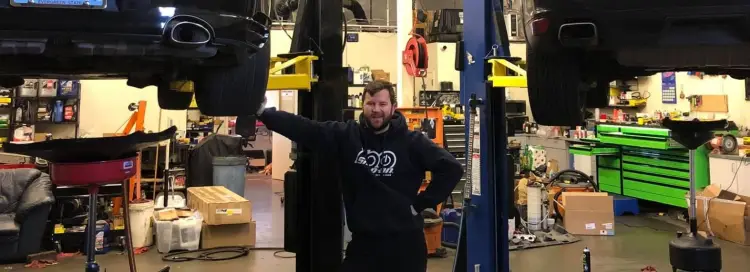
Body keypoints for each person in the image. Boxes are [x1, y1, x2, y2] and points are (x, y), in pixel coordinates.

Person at [255, 80, 464, 272]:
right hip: (364, 244)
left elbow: (452, 168)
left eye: (382, 104)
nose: (376, 110)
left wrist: (421, 203)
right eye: (370, 104)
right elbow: (306, 129)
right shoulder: (347, 136)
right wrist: (264, 113)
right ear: (362, 106)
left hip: (406, 246)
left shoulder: (413, 142)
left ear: (393, 107)